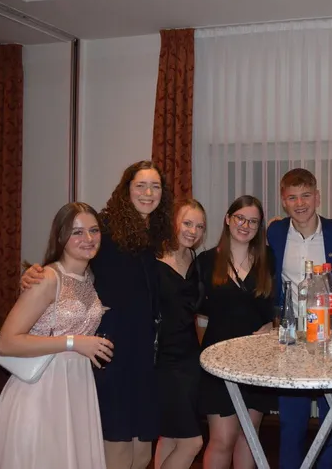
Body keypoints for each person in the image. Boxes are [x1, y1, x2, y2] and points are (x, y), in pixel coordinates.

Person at [22, 160, 173, 469]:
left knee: (143, 453)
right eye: (141, 186)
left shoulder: (152, 234)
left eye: (155, 186)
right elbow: (70, 258)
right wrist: (37, 273)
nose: (148, 193)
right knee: (118, 450)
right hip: (110, 350)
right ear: (126, 189)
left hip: (144, 352)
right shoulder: (105, 227)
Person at [0, 202, 113, 469]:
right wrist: (73, 342)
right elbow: (6, 342)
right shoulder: (47, 278)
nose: (88, 238)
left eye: (93, 230)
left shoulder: (90, 277)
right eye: (77, 232)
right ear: (60, 236)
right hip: (41, 388)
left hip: (77, 387)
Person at [266, 168, 332, 469]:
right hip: (291, 339)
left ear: (317, 197)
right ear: (284, 201)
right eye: (292, 197)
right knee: (291, 421)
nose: (300, 203)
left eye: (306, 195)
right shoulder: (275, 233)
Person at [198, 195, 277, 469]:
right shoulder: (206, 261)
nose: (245, 225)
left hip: (257, 360)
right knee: (222, 439)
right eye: (240, 218)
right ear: (227, 219)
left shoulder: (269, 259)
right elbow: (194, 313)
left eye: (253, 221)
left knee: (249, 436)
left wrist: (274, 325)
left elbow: (280, 306)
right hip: (217, 361)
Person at [153, 199, 208, 469]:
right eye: (187, 223)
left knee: (171, 436)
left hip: (189, 357)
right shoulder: (153, 259)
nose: (193, 231)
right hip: (163, 360)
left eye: (199, 226)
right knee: (192, 442)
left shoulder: (195, 260)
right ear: (174, 222)